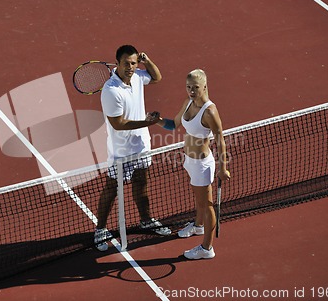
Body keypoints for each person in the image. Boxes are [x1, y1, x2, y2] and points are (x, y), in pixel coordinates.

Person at [95, 45, 171, 251]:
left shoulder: (137, 76)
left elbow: (157, 78)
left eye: (134, 63)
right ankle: (100, 229)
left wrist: (147, 60)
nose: (130, 67)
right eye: (126, 63)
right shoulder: (111, 91)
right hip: (121, 151)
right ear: (117, 63)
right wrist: (147, 123)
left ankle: (145, 220)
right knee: (112, 189)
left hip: (142, 145)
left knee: (141, 183)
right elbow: (118, 124)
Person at [157, 69, 230, 259]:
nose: (191, 91)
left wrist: (223, 168)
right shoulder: (188, 103)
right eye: (188, 87)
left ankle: (207, 248)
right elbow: (174, 124)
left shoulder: (210, 111)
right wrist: (157, 121)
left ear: (205, 86)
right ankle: (197, 226)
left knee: (206, 205)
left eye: (195, 87)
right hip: (189, 161)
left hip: (202, 165)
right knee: (199, 201)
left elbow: (220, 139)